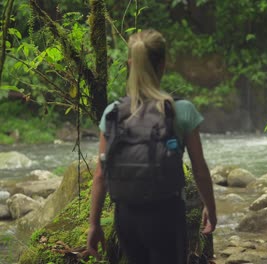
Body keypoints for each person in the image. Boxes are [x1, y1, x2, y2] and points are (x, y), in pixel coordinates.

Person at [87, 29, 217, 264]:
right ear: (163, 64)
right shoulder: (181, 110)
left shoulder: (113, 113)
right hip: (166, 214)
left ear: (130, 64)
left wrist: (94, 224)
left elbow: (100, 175)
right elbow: (199, 169)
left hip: (126, 215)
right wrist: (210, 207)